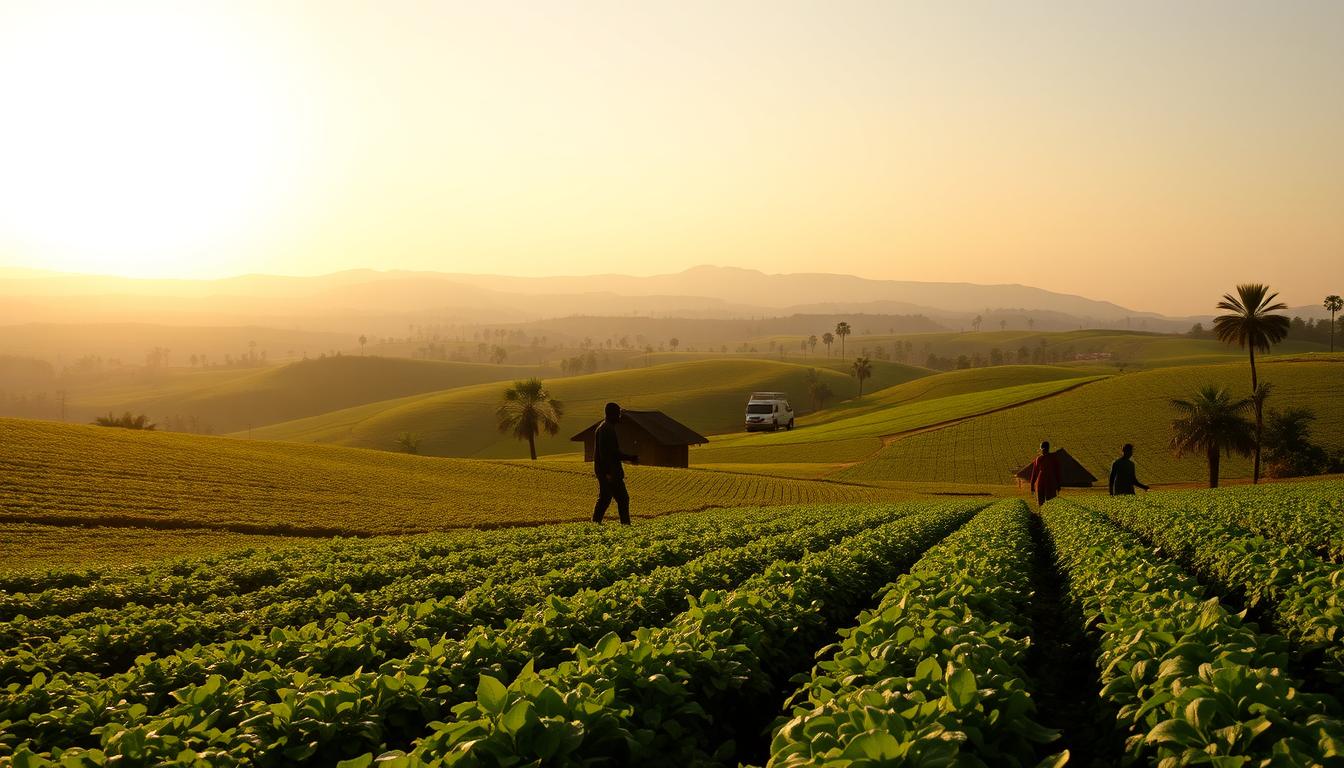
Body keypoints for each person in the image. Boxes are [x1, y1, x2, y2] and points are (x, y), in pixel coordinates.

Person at [593, 401, 638, 525]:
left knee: (606, 499)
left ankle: (595, 524)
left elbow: (610, 453)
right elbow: (608, 453)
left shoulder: (604, 427)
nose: (619, 417)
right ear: (612, 414)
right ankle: (625, 525)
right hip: (610, 472)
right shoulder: (606, 429)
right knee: (621, 499)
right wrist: (608, 473)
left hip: (608, 472)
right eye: (618, 414)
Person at [1029, 441, 1062, 507]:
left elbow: (1034, 473)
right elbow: (1034, 473)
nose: (1043, 451)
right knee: (1047, 503)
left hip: (1046, 483)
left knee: (1047, 503)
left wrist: (1032, 485)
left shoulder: (1042, 459)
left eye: (1043, 449)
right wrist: (1058, 485)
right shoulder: (1051, 458)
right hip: (1046, 483)